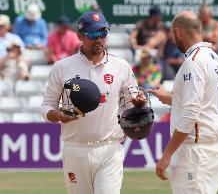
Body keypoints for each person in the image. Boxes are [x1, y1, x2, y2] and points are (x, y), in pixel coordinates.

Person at [41, 11, 145, 194]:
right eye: (93, 35)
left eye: (103, 33)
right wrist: (58, 115)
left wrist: (138, 103)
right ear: (80, 36)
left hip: (109, 148)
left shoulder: (121, 66)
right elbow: (46, 107)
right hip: (75, 149)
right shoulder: (62, 68)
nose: (99, 39)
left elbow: (131, 102)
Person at [148, 11, 218, 194]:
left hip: (195, 152)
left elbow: (191, 113)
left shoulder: (193, 62)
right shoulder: (215, 59)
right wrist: (170, 99)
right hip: (210, 147)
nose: (172, 38)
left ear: (178, 32)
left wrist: (167, 154)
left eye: (172, 33)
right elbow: (205, 102)